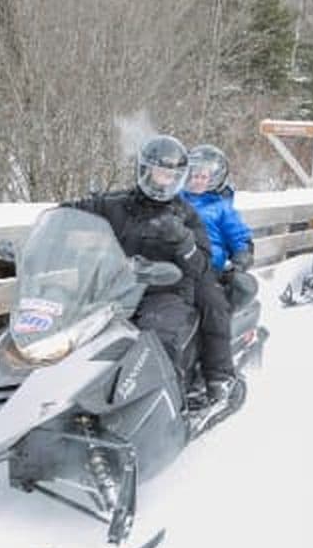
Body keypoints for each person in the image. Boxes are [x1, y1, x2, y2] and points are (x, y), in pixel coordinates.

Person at [62, 135, 236, 407]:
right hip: (114, 288)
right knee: (70, 331)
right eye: (159, 171)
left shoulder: (186, 215)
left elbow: (201, 264)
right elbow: (74, 212)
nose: (163, 180)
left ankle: (171, 401)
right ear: (145, 170)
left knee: (156, 340)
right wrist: (55, 222)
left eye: (171, 175)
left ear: (179, 178)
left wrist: (183, 240)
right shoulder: (116, 204)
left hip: (166, 292)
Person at [180, 144, 254, 276]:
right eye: (196, 176)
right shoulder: (177, 199)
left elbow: (238, 236)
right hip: (178, 260)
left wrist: (241, 257)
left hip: (210, 266)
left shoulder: (221, 207)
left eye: (203, 177)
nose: (199, 181)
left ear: (212, 180)